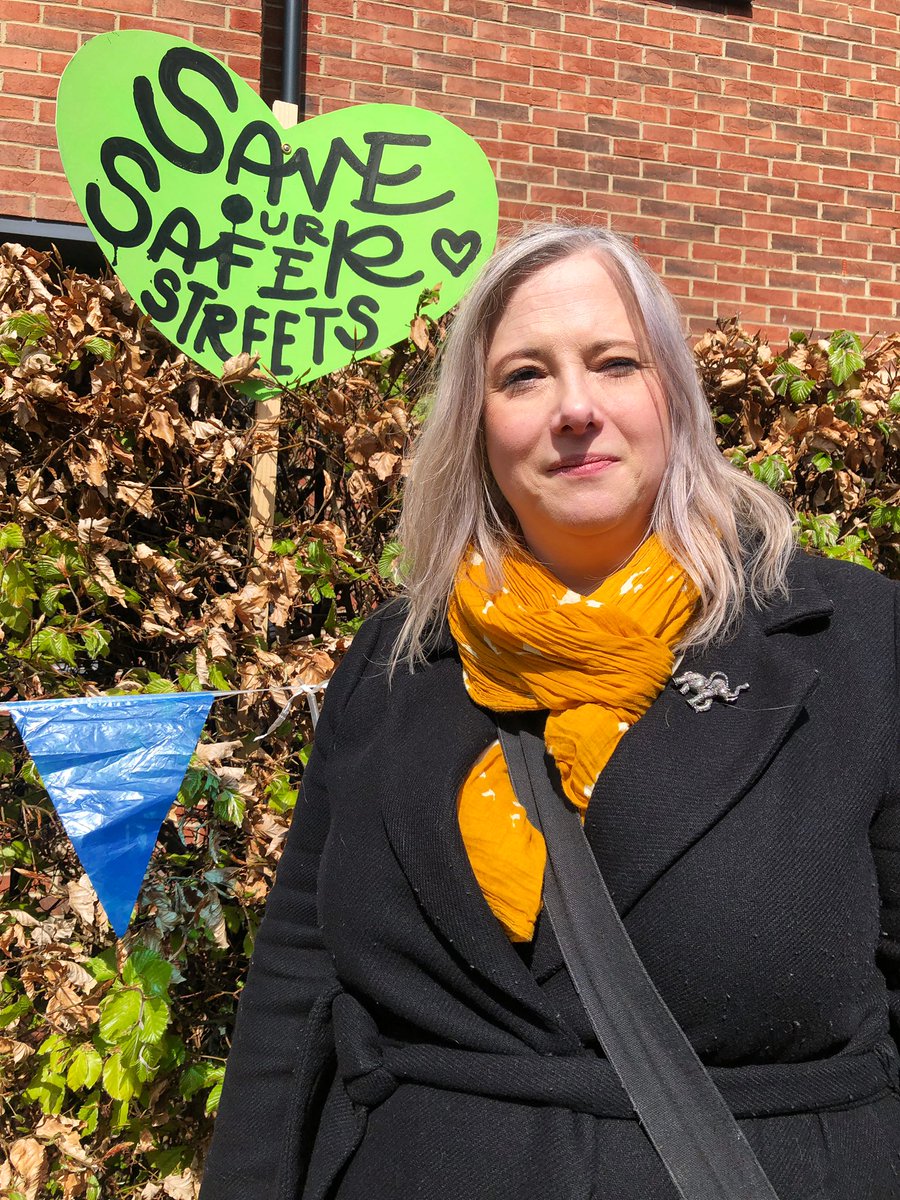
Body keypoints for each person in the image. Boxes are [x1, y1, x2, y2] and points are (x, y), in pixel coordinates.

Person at [199, 224, 900, 1200]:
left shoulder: (862, 642)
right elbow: (296, 990)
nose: (576, 408)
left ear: (677, 401)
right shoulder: (394, 662)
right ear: (478, 426)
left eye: (616, 363)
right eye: (524, 375)